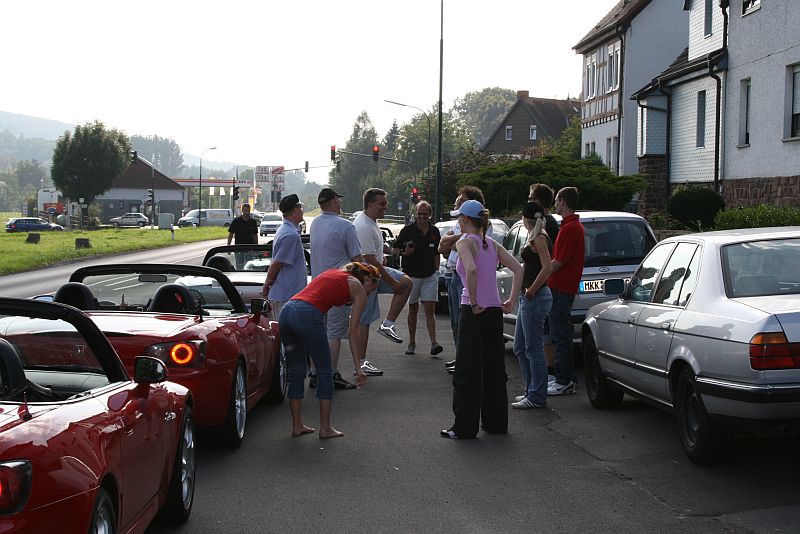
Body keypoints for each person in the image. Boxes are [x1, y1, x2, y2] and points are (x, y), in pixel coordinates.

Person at [441, 200, 523, 439]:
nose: (458, 221)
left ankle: (464, 427)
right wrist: (511, 300)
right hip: (495, 311)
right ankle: (496, 423)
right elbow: (519, 269)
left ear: (465, 219)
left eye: (459, 218)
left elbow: (471, 269)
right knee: (493, 369)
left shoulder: (464, 242)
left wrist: (474, 300)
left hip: (473, 310)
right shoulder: (492, 244)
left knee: (467, 368)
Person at [279, 262, 379, 439]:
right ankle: (325, 428)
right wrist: (358, 367)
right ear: (368, 278)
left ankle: (297, 425)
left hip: (287, 312)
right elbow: (353, 331)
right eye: (373, 286)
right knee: (325, 370)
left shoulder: (334, 273)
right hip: (307, 314)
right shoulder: (358, 288)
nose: (371, 292)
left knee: (296, 371)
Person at [309, 188, 365, 389]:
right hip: (338, 285)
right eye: (338, 200)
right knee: (334, 332)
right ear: (334, 201)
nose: (340, 203)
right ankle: (331, 373)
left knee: (318, 331)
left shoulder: (315, 223)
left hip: (317, 285)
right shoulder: (346, 226)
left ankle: (315, 373)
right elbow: (357, 260)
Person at [354, 188, 413, 374]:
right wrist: (392, 283)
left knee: (406, 282)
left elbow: (374, 254)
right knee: (363, 321)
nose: (385, 207)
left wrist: (386, 255)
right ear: (370, 204)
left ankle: (387, 324)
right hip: (366, 278)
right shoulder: (363, 226)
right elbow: (369, 260)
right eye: (382, 204)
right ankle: (361, 364)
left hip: (375, 272)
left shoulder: (372, 221)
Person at [437, 186, 493, 373]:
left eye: (462, 202)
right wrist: (458, 239)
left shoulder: (483, 227)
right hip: (453, 274)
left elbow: (471, 255)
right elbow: (442, 246)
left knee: (466, 322)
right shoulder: (460, 225)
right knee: (456, 322)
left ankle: (468, 361)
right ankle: (460, 357)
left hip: (465, 279)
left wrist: (457, 242)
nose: (457, 206)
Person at [511, 202, 553, 409]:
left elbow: (548, 268)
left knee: (533, 348)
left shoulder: (539, 237)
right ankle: (531, 390)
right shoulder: (535, 235)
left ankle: (537, 395)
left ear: (524, 219)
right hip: (528, 298)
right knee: (519, 346)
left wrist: (532, 290)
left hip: (535, 297)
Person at [547, 187, 585, 396]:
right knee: (561, 334)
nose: (555, 204)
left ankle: (564, 380)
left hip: (561, 287)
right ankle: (565, 377)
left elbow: (559, 261)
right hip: (562, 287)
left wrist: (541, 276)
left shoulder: (571, 228)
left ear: (562, 201)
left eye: (556, 200)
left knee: (560, 335)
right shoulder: (570, 226)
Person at [392, 200, 442, 356]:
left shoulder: (434, 231)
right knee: (413, 309)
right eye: (419, 214)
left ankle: (434, 343)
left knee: (430, 309)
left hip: (430, 276)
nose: (421, 217)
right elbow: (395, 250)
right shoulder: (407, 230)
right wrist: (405, 253)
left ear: (430, 215)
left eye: (424, 214)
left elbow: (437, 253)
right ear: (415, 214)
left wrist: (436, 271)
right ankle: (412, 343)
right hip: (411, 277)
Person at [528, 183, 559, 382]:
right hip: (544, 285)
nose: (529, 202)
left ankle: (549, 372)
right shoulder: (546, 223)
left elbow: (548, 263)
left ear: (538, 201)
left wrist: (532, 289)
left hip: (544, 286)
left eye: (531, 198)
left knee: (544, 331)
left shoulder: (547, 225)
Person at [260, 194, 307, 320]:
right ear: (295, 210)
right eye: (300, 207)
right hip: (286, 296)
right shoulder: (290, 235)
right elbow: (277, 264)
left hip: (287, 295)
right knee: (285, 331)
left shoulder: (288, 230)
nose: (302, 210)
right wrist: (266, 287)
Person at [227, 203, 259, 269]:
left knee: (249, 267)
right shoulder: (236, 221)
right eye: (245, 211)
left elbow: (255, 236)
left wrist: (256, 248)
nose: (246, 213)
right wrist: (228, 246)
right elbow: (230, 234)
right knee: (239, 266)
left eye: (248, 211)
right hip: (239, 248)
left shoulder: (253, 222)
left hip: (250, 248)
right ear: (242, 211)